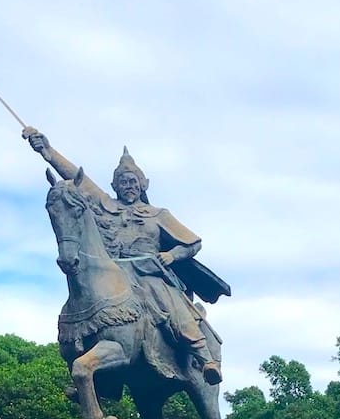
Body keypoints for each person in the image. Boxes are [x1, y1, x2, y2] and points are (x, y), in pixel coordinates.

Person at [23, 129, 223, 384]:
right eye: (123, 182)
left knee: (168, 303)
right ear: (115, 186)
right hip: (114, 274)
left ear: (142, 185)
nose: (128, 186)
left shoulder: (157, 214)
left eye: (133, 182)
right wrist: (47, 152)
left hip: (148, 273)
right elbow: (77, 179)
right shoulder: (106, 205)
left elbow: (192, 243)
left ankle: (205, 358)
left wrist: (171, 255)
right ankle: (93, 378)